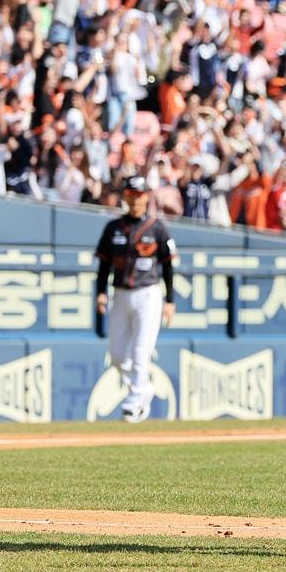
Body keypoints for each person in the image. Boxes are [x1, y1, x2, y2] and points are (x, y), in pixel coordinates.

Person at [94, 175, 176, 422]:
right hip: (120, 293)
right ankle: (143, 389)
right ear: (125, 197)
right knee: (117, 354)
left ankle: (135, 402)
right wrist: (100, 292)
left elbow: (168, 266)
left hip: (148, 293)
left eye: (139, 195)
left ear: (146, 197)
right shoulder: (114, 228)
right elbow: (104, 265)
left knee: (141, 351)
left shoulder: (157, 227)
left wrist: (170, 300)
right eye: (130, 195)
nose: (135, 199)